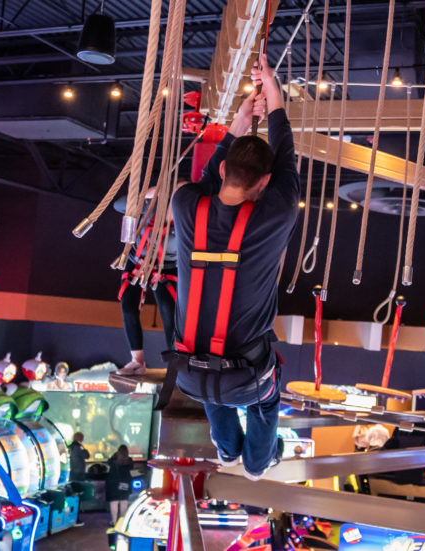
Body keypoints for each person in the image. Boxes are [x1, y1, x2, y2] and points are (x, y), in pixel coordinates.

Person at [165, 55, 298, 481]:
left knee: (217, 374)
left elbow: (276, 157)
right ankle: (257, 463)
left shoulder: (186, 205)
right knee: (264, 399)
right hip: (222, 374)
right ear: (263, 184)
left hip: (194, 375)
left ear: (224, 171)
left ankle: (228, 450)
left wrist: (248, 114)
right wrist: (265, 97)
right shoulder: (269, 217)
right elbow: (286, 160)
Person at [114, 186, 179, 376]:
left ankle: (175, 364)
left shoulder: (186, 216)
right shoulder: (150, 206)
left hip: (166, 268)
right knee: (128, 307)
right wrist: (149, 193)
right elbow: (118, 205)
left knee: (169, 313)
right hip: (138, 262)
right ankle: (137, 360)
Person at [105, 445, 133, 527]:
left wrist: (115, 454)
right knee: (124, 502)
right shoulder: (129, 460)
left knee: (114, 502)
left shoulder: (113, 460)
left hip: (113, 483)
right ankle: (122, 521)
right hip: (125, 483)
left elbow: (108, 462)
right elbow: (131, 468)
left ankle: (113, 521)